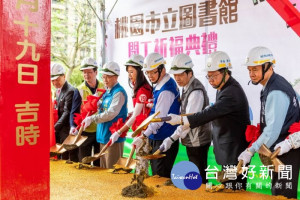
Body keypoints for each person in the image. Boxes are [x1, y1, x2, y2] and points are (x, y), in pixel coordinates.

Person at [167, 51, 250, 190]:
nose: (210, 80)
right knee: (229, 190)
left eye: (214, 76)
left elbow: (209, 113)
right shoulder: (223, 87)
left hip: (234, 153)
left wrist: (182, 120)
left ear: (225, 72)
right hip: (229, 150)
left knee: (235, 191)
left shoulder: (231, 92)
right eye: (209, 76)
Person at [238, 46, 300, 198]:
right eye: (249, 70)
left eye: (255, 70)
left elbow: (271, 131)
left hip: (285, 150)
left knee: (282, 194)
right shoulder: (274, 84)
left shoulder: (276, 91)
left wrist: (250, 151)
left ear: (269, 67)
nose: (251, 74)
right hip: (280, 150)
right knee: (279, 191)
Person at [159, 53, 211, 184]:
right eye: (175, 75)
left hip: (197, 141)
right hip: (192, 140)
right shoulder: (186, 87)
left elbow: (189, 122)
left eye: (181, 74)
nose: (177, 78)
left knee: (199, 178)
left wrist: (171, 139)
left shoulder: (195, 91)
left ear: (190, 73)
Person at [132, 52, 180, 178]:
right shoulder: (162, 84)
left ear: (162, 69)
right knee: (158, 177)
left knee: (160, 178)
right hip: (159, 137)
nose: (150, 76)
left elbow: (158, 120)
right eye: (147, 72)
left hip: (164, 139)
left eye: (153, 72)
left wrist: (143, 136)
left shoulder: (166, 90)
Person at [108, 54, 153, 174]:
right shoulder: (138, 88)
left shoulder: (143, 90)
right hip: (139, 130)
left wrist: (119, 132)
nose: (129, 75)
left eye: (132, 72)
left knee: (142, 165)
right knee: (140, 163)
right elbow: (138, 112)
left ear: (140, 72)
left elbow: (136, 116)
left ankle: (141, 187)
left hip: (143, 132)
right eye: (128, 72)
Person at [82, 61, 128, 169]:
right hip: (103, 137)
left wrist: (92, 118)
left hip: (113, 138)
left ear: (116, 77)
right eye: (103, 77)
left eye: (108, 77)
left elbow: (111, 114)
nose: (105, 80)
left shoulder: (119, 92)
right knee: (104, 171)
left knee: (112, 172)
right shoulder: (107, 92)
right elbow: (103, 110)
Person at [69, 57, 104, 166]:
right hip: (85, 132)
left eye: (89, 72)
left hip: (100, 130)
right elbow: (73, 111)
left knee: (99, 163)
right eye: (84, 73)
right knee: (84, 163)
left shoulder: (104, 87)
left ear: (96, 72)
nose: (87, 75)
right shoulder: (79, 89)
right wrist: (72, 126)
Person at [51, 63, 76, 161]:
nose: (55, 82)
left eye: (57, 79)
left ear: (64, 76)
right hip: (59, 130)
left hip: (67, 131)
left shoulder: (70, 91)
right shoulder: (57, 90)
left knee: (66, 158)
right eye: (53, 80)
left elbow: (67, 112)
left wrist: (54, 128)